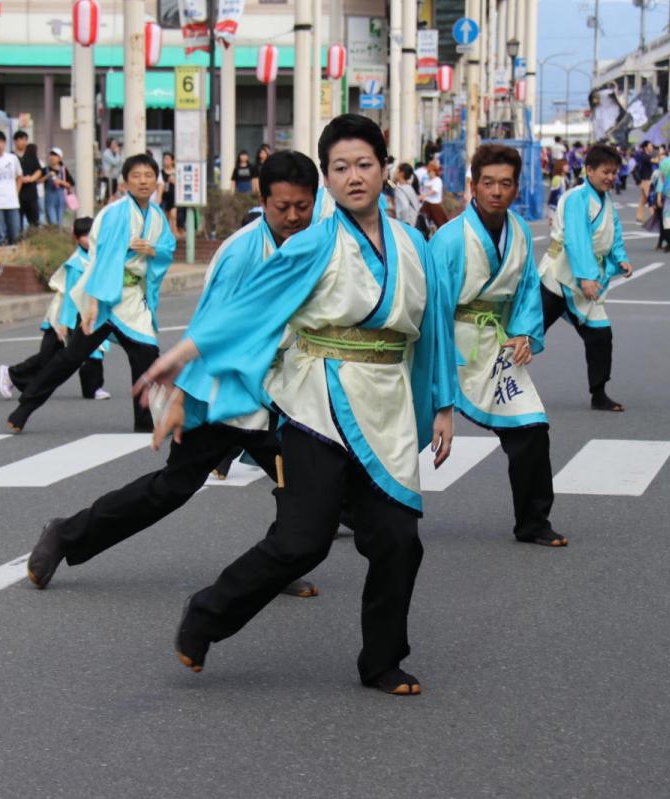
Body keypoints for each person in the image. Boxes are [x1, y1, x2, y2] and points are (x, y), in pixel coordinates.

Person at [139, 114, 456, 697]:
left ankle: (382, 661)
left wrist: (442, 404)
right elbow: (251, 305)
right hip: (318, 402)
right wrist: (186, 351)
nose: (354, 177)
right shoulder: (314, 243)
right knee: (302, 540)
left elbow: (432, 328)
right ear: (328, 182)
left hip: (386, 407)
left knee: (398, 541)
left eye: (364, 164)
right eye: (340, 168)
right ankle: (207, 614)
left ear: (385, 169)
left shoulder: (416, 245)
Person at [24, 151, 327, 597]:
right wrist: (184, 396)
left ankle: (278, 562)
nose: (294, 217)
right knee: (171, 489)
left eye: (303, 207)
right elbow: (208, 327)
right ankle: (65, 533)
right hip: (227, 392)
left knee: (303, 486)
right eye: (282, 208)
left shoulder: (314, 242)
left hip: (281, 394)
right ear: (262, 200)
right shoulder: (241, 251)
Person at [431, 144, 566, 548]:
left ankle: (533, 522)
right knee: (398, 430)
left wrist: (525, 333)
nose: (496, 191)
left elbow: (527, 288)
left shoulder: (520, 231)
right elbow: (433, 310)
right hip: (450, 343)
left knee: (531, 427)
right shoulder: (449, 239)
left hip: (495, 344)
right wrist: (439, 393)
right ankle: (344, 506)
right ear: (473, 184)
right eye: (487, 182)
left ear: (516, 187)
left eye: (505, 184)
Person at [6, 153, 176, 433]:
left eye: (148, 175)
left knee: (146, 355)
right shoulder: (114, 214)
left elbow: (167, 248)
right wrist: (95, 303)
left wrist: (153, 250)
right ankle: (25, 407)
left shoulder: (156, 216)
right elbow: (104, 258)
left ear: (156, 180)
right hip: (105, 298)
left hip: (133, 298)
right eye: (136, 176)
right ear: (125, 182)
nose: (143, 181)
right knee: (70, 358)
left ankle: (145, 421)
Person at [539, 144, 634, 413]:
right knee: (529, 334)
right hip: (558, 279)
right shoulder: (576, 198)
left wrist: (620, 258)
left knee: (601, 336)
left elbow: (613, 234)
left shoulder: (605, 201)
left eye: (614, 172)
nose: (610, 177)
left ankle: (599, 393)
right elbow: (577, 239)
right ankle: (497, 381)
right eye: (606, 171)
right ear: (589, 170)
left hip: (586, 281)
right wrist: (586, 277)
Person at [0, 216, 110, 402]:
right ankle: (11, 374)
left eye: (91, 235)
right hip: (62, 314)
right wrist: (64, 323)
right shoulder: (76, 264)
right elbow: (68, 297)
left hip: (86, 313)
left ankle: (93, 388)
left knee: (93, 349)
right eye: (83, 235)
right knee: (47, 357)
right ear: (75, 238)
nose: (88, 239)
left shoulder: (97, 258)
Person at [14, 133, 45, 229]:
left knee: (34, 221)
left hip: (31, 193)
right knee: (17, 222)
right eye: (21, 139)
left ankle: (34, 240)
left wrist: (31, 178)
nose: (24, 142)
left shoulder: (31, 155)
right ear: (15, 141)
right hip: (17, 194)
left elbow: (39, 170)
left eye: (25, 140)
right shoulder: (11, 156)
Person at [43, 146, 73, 227]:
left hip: (61, 199)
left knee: (60, 222)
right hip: (49, 199)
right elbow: (38, 181)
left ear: (60, 158)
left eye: (55, 155)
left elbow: (70, 184)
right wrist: (47, 176)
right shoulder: (45, 169)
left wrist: (60, 182)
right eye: (51, 155)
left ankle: (59, 237)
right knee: (52, 222)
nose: (52, 157)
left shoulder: (64, 169)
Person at [418, 160, 448, 229]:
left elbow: (434, 191)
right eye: (428, 171)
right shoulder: (427, 180)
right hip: (426, 203)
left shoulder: (437, 180)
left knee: (441, 224)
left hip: (435, 205)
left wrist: (423, 196)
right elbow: (423, 189)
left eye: (430, 171)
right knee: (422, 221)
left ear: (434, 172)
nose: (429, 173)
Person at [101, 138, 123, 203]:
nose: (115, 145)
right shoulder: (106, 153)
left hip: (114, 177)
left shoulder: (115, 153)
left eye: (115, 143)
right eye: (113, 143)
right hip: (107, 178)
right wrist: (118, 154)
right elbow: (115, 162)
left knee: (113, 195)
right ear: (109, 144)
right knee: (106, 196)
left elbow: (120, 164)